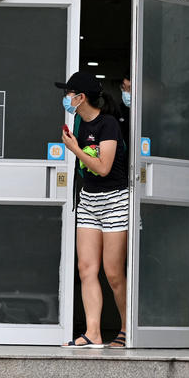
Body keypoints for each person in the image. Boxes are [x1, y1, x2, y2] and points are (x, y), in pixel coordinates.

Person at [57, 71, 129, 348]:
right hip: (89, 200)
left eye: (68, 94)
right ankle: (93, 333)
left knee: (113, 272)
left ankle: (125, 328)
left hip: (114, 200)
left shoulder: (108, 124)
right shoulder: (76, 121)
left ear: (80, 97)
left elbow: (103, 167)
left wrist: (75, 149)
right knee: (86, 268)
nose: (65, 99)